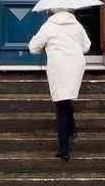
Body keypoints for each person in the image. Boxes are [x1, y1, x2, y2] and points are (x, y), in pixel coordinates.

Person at [28, 9, 90, 160]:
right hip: (75, 64)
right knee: (66, 96)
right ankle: (71, 128)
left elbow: (33, 48)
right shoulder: (77, 25)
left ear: (52, 11)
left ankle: (64, 149)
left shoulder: (48, 26)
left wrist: (44, 44)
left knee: (61, 102)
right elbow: (86, 46)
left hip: (58, 66)